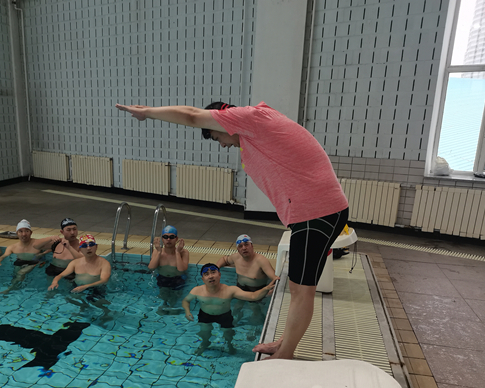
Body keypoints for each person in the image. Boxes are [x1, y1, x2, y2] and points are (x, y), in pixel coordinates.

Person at [116, 101, 348, 360]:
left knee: (301, 291)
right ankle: (285, 343)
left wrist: (147, 112)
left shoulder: (248, 118)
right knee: (300, 289)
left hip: (316, 213)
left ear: (224, 121)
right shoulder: (257, 126)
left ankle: (285, 355)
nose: (223, 145)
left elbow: (192, 115)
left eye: (217, 138)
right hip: (319, 212)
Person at [182, 263, 275, 355]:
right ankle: (205, 343)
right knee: (204, 331)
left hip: (224, 315)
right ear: (203, 279)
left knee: (228, 333)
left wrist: (266, 288)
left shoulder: (230, 290)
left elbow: (253, 296)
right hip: (205, 315)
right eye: (206, 274)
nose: (210, 276)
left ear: (219, 274)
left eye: (213, 272)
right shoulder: (197, 290)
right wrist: (187, 311)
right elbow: (186, 300)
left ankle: (230, 345)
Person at [0, 220, 59, 293]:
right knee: (16, 274)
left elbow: (55, 247)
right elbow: (3, 256)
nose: (24, 234)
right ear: (17, 233)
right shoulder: (12, 247)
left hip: (35, 262)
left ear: (31, 233)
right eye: (20, 231)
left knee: (21, 273)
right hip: (20, 262)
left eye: (26, 231)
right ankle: (15, 286)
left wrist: (43, 253)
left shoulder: (37, 243)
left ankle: (9, 289)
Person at [148, 225, 190, 314]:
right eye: (165, 237)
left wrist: (177, 252)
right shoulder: (157, 251)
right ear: (162, 239)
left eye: (171, 237)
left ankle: (171, 309)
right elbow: (151, 268)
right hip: (162, 279)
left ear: (176, 239)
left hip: (178, 280)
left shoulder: (184, 252)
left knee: (173, 303)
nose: (168, 239)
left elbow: (181, 270)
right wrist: (159, 252)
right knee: (162, 300)